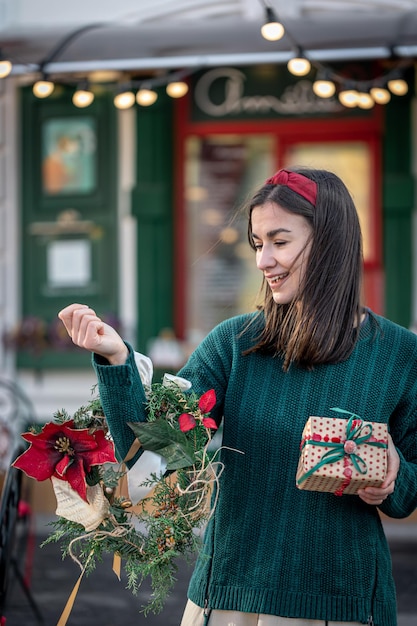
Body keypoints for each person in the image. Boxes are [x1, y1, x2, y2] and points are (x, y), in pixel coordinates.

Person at [58, 167, 417, 626]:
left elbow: (408, 492)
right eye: (257, 244)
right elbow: (156, 440)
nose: (262, 260)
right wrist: (113, 358)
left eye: (279, 242)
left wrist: (392, 475)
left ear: (330, 241)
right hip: (232, 600)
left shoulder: (399, 355)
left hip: (343, 604)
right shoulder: (236, 343)